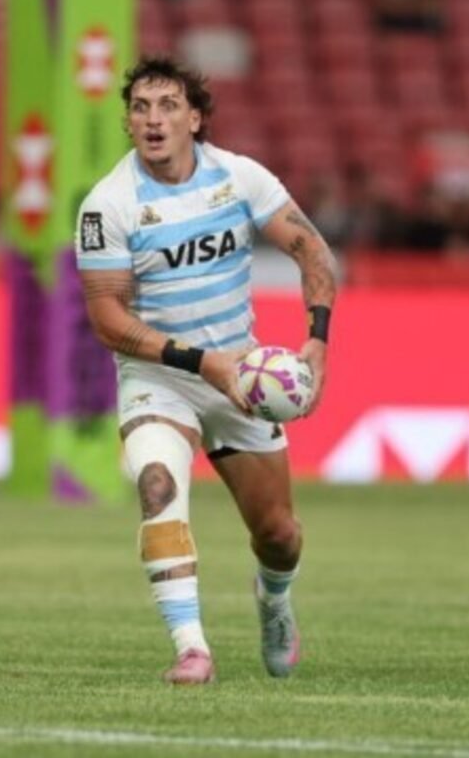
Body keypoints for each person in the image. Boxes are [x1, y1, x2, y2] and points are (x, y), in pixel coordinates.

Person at [76, 56, 337, 685]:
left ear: (194, 119)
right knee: (157, 486)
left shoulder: (240, 178)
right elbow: (108, 320)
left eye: (168, 106)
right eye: (141, 108)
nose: (153, 119)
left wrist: (317, 341)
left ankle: (274, 601)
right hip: (160, 378)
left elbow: (311, 250)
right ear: (128, 123)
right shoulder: (107, 205)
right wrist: (199, 362)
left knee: (279, 535)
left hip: (240, 378)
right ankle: (192, 648)